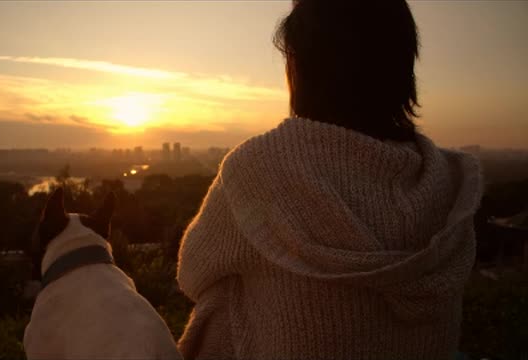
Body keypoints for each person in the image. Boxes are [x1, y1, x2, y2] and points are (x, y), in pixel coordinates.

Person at [176, 1, 483, 359]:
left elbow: (193, 274)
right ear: (403, 66)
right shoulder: (447, 182)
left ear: (301, 67)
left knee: (225, 295)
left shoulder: (258, 169)